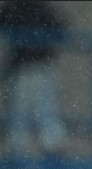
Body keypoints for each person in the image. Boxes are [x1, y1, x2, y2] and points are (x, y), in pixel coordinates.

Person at [0, 1, 67, 155]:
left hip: (24, 67)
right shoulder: (41, 9)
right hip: (41, 65)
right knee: (44, 106)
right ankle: (52, 141)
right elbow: (61, 27)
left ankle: (19, 145)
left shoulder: (16, 8)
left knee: (21, 108)